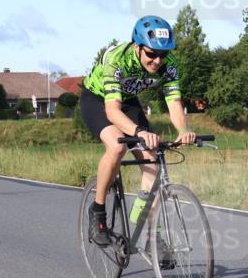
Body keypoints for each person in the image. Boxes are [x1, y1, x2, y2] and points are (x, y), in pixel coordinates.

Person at [80, 15, 196, 249]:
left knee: (152, 162)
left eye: (162, 55)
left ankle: (152, 234)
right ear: (137, 46)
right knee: (117, 146)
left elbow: (174, 103)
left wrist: (183, 130)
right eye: (151, 54)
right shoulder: (117, 60)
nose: (157, 61)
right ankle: (98, 211)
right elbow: (112, 112)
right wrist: (139, 132)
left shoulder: (170, 64)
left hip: (129, 102)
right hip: (98, 99)